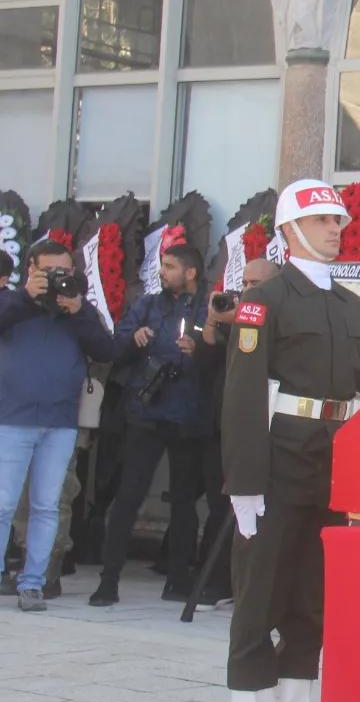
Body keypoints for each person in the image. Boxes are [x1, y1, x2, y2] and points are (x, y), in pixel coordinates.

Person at [222, 181, 360, 702]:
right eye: (321, 221)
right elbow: (241, 396)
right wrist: (244, 483)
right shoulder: (268, 302)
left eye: (338, 220)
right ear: (289, 232)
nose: (335, 229)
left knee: (313, 598)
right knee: (260, 594)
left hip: (332, 462)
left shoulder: (352, 307)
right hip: (278, 459)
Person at [92, 244, 211, 605]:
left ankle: (177, 580)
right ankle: (108, 581)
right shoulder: (148, 304)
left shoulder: (209, 306)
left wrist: (200, 349)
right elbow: (115, 347)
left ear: (190, 272)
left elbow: (224, 356)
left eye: (170, 266)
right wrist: (134, 338)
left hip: (189, 417)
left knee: (184, 502)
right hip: (146, 412)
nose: (162, 271)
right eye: (163, 264)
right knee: (129, 496)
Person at [0, 241, 114, 611]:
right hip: (12, 418)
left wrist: (78, 310)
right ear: (31, 269)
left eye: (63, 272)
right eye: (49, 272)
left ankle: (33, 583)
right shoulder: (11, 302)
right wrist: (25, 298)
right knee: (2, 506)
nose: (56, 279)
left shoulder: (79, 310)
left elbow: (108, 351)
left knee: (47, 506)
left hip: (60, 422)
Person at [192, 257, 281, 608]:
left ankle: (241, 587)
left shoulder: (274, 317)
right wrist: (214, 320)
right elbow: (208, 353)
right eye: (243, 283)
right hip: (222, 426)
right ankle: (215, 581)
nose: (247, 291)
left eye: (255, 284)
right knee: (219, 506)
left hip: (263, 430)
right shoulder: (239, 319)